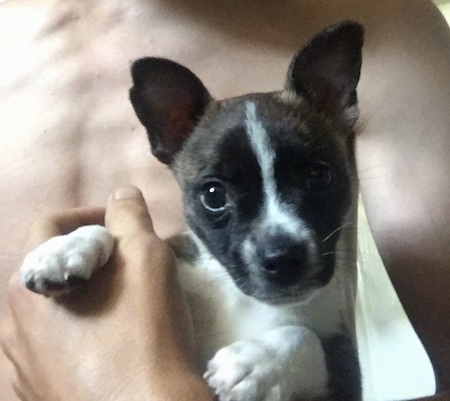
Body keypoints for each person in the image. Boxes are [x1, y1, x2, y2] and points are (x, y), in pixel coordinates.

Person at [0, 0, 449, 400]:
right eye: (215, 195)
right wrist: (92, 242)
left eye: (315, 177)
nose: (278, 240)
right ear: (167, 131)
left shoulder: (388, 20)